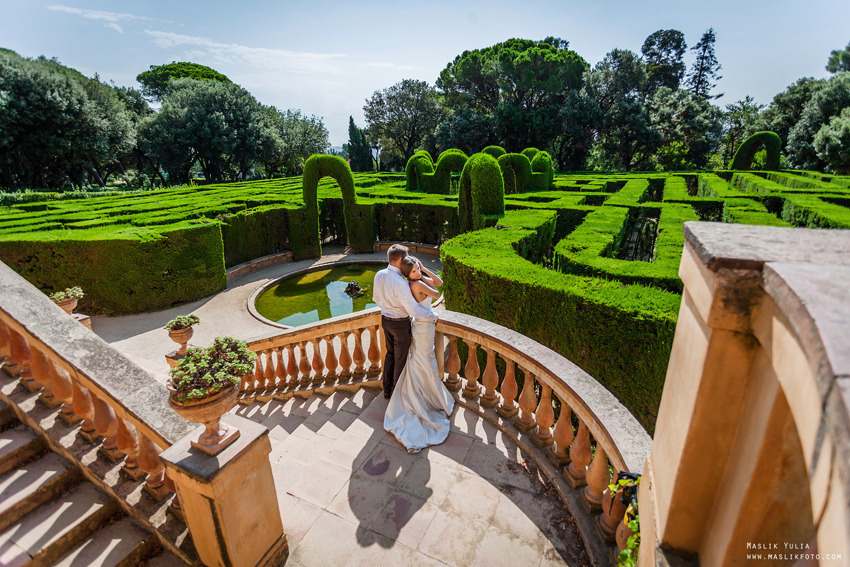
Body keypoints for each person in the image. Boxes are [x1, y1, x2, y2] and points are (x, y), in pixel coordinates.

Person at [383, 255, 455, 454]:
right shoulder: (417, 284)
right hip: (424, 327)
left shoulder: (411, 282)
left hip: (420, 326)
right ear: (408, 273)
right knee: (426, 361)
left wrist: (423, 270)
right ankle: (429, 398)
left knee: (420, 360)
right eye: (413, 271)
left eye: (417, 269)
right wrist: (422, 273)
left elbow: (439, 282)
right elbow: (438, 292)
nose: (416, 272)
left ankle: (423, 393)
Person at [372, 244, 437, 400]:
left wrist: (388, 308)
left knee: (390, 355)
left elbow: (376, 299)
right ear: (401, 260)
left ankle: (387, 389)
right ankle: (397, 394)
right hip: (400, 324)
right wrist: (432, 317)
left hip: (385, 320)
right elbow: (414, 310)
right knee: (400, 359)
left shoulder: (379, 274)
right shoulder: (400, 282)